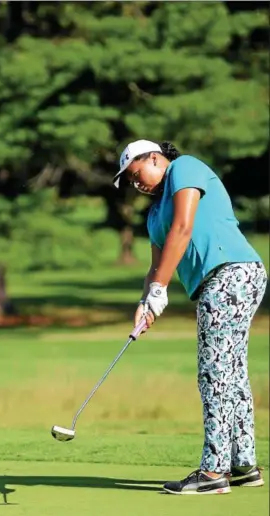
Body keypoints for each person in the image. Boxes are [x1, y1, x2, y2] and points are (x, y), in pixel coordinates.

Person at [113, 139, 267, 495]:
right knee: (231, 370)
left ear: (155, 158)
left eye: (137, 174)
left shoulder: (185, 168)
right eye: (130, 182)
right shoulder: (153, 215)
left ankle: (214, 473)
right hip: (222, 281)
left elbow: (183, 228)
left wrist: (160, 289)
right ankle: (243, 464)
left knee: (214, 372)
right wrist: (145, 303)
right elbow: (155, 265)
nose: (137, 184)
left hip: (232, 273)